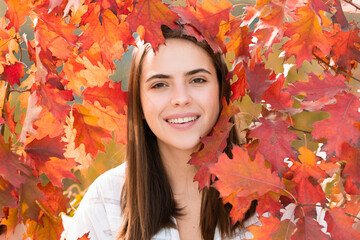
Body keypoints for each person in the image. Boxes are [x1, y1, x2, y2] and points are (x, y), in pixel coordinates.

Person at [61, 26, 258, 240]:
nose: (180, 98)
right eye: (160, 84)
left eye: (197, 80)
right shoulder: (104, 202)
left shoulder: (272, 197)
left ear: (222, 91)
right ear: (140, 103)